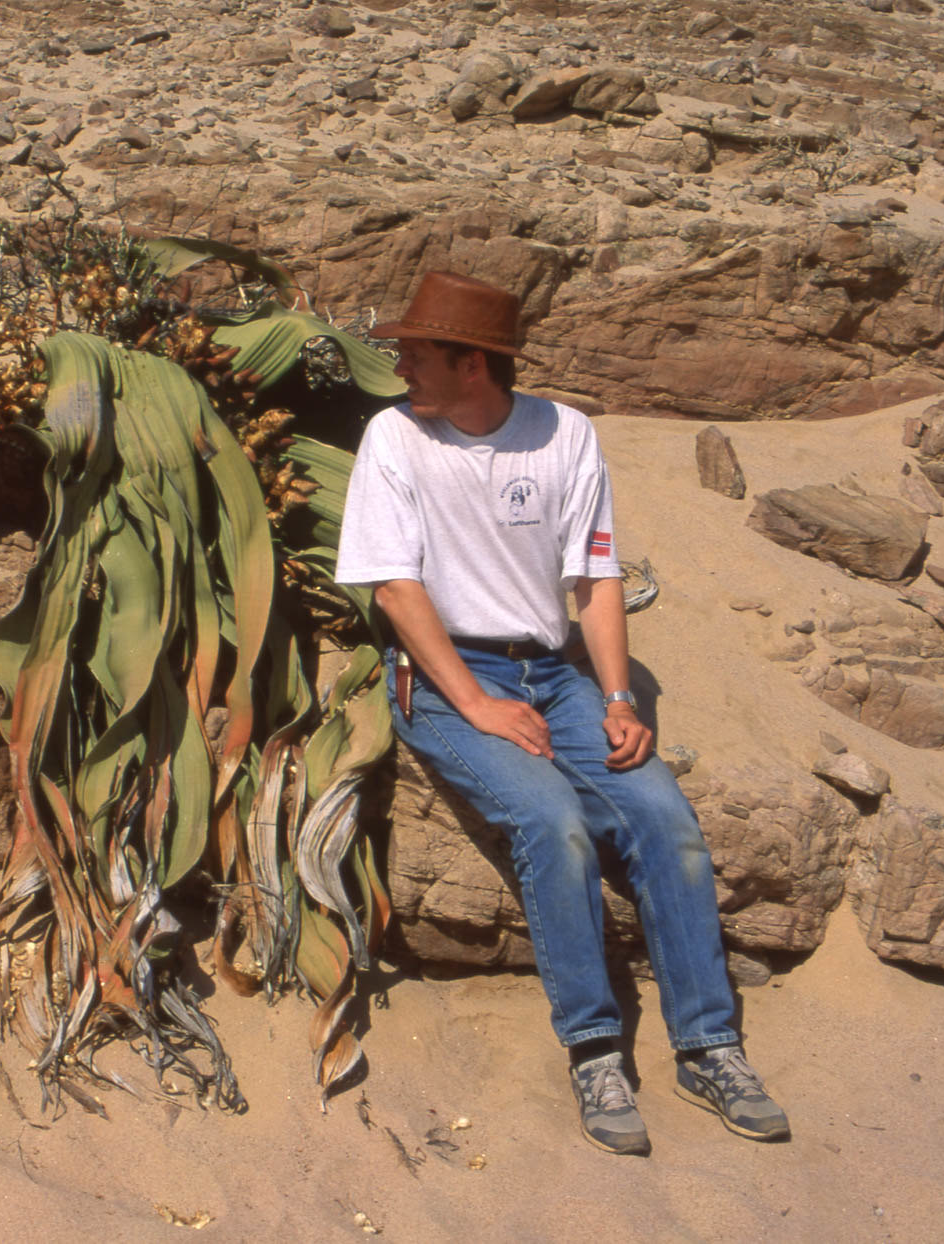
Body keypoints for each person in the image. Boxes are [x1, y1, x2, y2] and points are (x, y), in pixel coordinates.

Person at [334, 270, 788, 1156]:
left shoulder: (563, 433)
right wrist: (473, 703)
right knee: (553, 823)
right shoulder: (393, 438)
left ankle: (708, 1045)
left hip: (553, 671)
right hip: (445, 672)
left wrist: (619, 698)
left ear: (475, 365)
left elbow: (598, 578)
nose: (399, 369)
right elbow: (395, 585)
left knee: (664, 816)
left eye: (416, 354)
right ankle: (593, 1048)